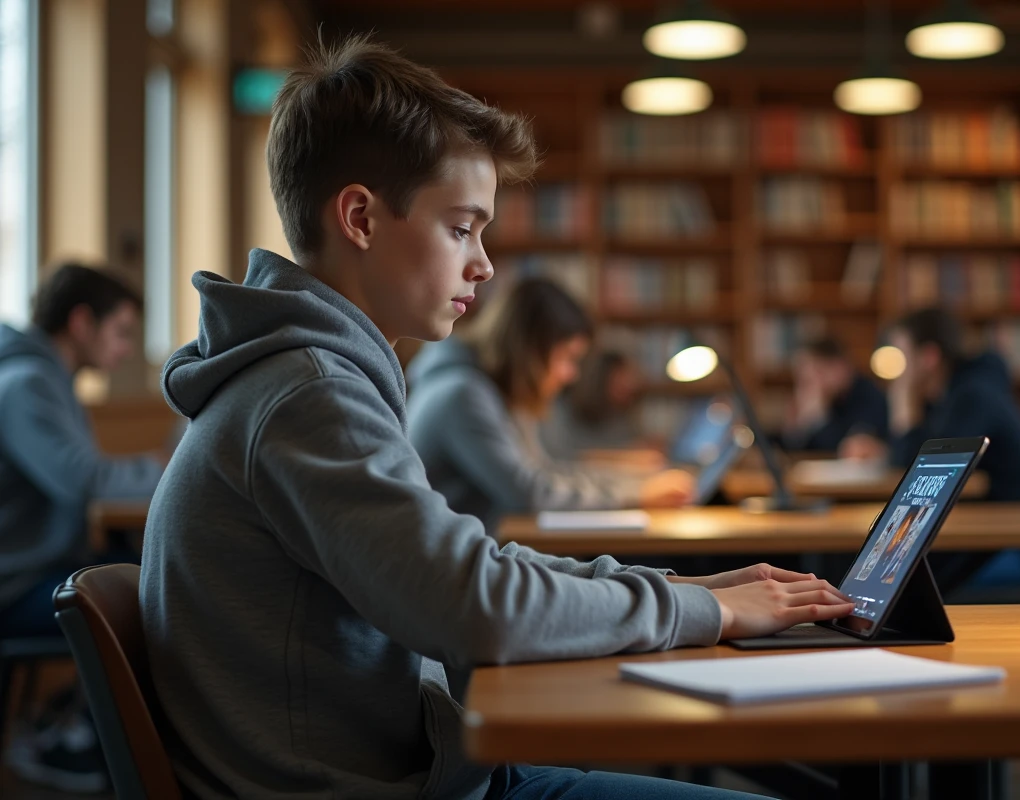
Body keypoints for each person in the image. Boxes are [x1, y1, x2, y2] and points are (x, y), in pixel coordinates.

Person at [140, 34, 854, 800]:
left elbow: (470, 566)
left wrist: (686, 588)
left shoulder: (307, 376)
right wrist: (701, 609)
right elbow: (475, 604)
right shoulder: (308, 394)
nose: (483, 262)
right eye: (461, 227)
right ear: (360, 217)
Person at [0, 263, 165, 792]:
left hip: (35, 571)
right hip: (13, 587)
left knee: (144, 575)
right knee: (151, 598)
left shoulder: (49, 381)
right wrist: (172, 469)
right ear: (80, 322)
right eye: (119, 332)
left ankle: (73, 728)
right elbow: (81, 479)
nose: (124, 350)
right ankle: (77, 743)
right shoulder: (26, 384)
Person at [407, 279, 690, 532]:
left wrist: (636, 485)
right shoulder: (463, 395)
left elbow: (545, 471)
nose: (571, 375)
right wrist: (636, 495)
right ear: (531, 352)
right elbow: (531, 493)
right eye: (567, 358)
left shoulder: (488, 391)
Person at [841, 307, 1020, 590]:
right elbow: (917, 457)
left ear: (928, 357)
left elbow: (925, 474)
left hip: (1018, 543)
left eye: (900, 355)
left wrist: (902, 402)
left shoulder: (973, 395)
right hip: (985, 530)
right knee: (887, 563)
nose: (895, 369)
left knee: (898, 572)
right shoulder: (950, 395)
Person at [779, 336, 888, 453]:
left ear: (840, 367)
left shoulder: (869, 397)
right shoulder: (828, 399)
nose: (812, 384)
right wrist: (796, 429)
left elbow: (842, 451)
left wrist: (818, 418)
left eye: (818, 372)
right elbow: (796, 452)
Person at [540, 348, 646, 459]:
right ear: (601, 379)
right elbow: (562, 454)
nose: (629, 386)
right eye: (620, 380)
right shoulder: (559, 411)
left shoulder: (620, 417)